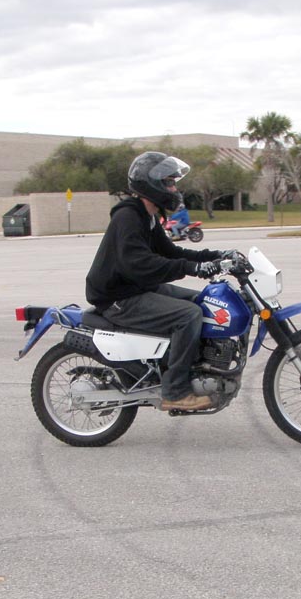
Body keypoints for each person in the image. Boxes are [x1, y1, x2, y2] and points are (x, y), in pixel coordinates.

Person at [85, 151, 231, 412]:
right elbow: (139, 263)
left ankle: (190, 365)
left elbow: (171, 252)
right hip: (118, 297)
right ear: (151, 184)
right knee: (188, 315)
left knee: (202, 301)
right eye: (169, 183)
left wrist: (215, 256)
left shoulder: (147, 215)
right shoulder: (128, 217)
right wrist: (193, 268)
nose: (174, 188)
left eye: (173, 182)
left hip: (137, 288)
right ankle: (175, 391)